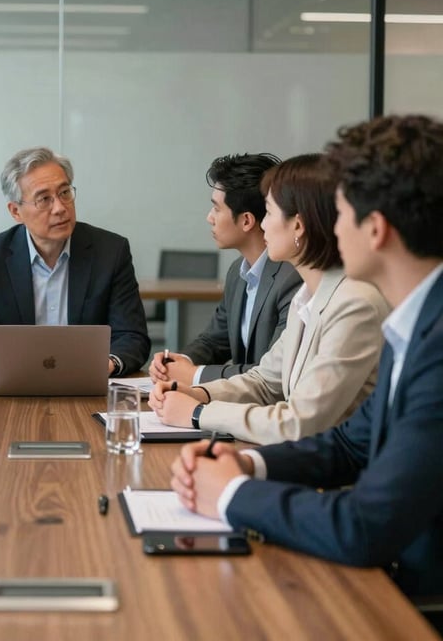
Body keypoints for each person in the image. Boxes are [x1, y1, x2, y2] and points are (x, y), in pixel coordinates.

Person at [170, 115, 443, 612]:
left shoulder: (429, 340)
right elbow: (350, 442)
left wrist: (231, 494)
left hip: (414, 597)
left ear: (376, 229)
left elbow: (365, 526)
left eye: (340, 214)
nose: (332, 228)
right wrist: (246, 463)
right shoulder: (416, 321)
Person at [149, 153, 387, 444]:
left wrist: (198, 413)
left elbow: (299, 422)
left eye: (269, 213)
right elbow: (264, 381)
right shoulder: (307, 297)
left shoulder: (354, 304)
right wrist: (197, 393)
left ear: (298, 225)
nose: (262, 226)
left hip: (337, 466)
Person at [0, 146, 150, 376]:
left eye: (65, 193)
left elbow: (132, 336)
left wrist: (104, 365)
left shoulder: (111, 252)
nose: (60, 208)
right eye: (44, 199)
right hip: (15, 384)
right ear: (16, 212)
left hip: (88, 384)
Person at [149, 153, 301, 386]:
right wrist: (178, 362)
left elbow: (273, 375)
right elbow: (214, 341)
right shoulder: (237, 272)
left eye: (216, 209)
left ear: (247, 221)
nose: (209, 218)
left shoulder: (292, 278)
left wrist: (193, 375)